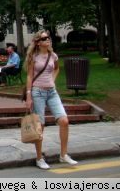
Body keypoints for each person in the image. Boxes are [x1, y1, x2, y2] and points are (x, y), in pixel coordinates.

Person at [24, 30, 78, 170]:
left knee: (64, 120)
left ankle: (63, 155)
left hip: (52, 92)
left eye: (48, 38)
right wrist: (29, 96)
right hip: (37, 92)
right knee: (40, 126)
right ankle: (39, 158)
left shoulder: (53, 55)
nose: (48, 40)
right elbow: (29, 77)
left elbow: (57, 69)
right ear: (38, 42)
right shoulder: (33, 57)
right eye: (44, 38)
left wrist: (52, 81)